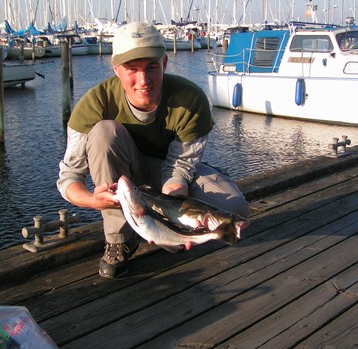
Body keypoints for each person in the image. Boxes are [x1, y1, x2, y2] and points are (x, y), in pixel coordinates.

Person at [57, 21, 249, 279]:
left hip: (170, 176)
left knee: (234, 212)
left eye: (151, 67)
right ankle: (119, 238)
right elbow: (69, 177)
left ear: (165, 63)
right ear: (116, 69)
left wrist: (175, 219)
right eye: (132, 69)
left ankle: (166, 233)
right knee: (104, 132)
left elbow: (179, 168)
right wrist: (93, 200)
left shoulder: (191, 101)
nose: (143, 80)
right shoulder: (94, 104)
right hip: (125, 176)